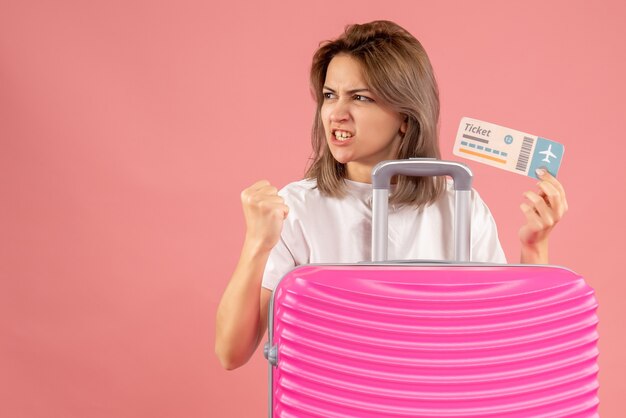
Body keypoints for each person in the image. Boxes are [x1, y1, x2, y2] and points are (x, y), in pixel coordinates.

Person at [215, 20, 568, 370]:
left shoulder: (459, 205)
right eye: (329, 95)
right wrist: (256, 244)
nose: (336, 114)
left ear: (404, 116)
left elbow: (507, 341)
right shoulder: (297, 208)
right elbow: (231, 352)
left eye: (361, 98)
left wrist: (534, 246)